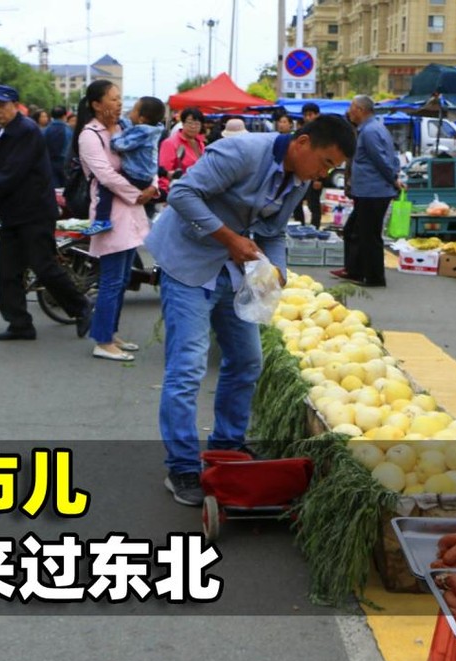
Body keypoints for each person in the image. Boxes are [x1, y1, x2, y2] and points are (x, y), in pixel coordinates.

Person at [145, 114, 357, 506]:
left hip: (232, 270)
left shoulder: (298, 180)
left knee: (246, 360)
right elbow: (181, 194)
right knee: (188, 366)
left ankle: (227, 445)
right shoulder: (241, 152)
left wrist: (275, 270)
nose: (324, 174)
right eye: (326, 163)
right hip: (187, 261)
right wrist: (229, 239)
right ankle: (182, 467)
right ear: (303, 142)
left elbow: (272, 232)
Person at [0, 84, 92, 341]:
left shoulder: (26, 131)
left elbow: (13, 174)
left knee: (44, 266)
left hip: (34, 212)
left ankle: (81, 307)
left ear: (15, 106)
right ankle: (19, 324)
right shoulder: (3, 133)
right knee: (7, 272)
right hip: (12, 213)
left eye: (1, 106)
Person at [75, 81, 159, 361]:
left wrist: (152, 186)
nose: (118, 103)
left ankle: (110, 332)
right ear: (96, 105)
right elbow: (105, 175)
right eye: (112, 99)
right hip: (111, 213)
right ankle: (102, 340)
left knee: (123, 278)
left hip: (131, 212)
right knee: (111, 280)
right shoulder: (90, 135)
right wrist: (137, 195)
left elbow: (148, 157)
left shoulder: (124, 128)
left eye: (120, 98)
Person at [332, 95, 400, 288]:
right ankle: (355, 270)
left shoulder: (370, 131)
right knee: (354, 231)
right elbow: (390, 157)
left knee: (369, 235)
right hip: (368, 191)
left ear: (361, 110)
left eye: (352, 107)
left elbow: (381, 160)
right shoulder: (375, 128)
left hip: (373, 191)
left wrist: (393, 180)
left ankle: (374, 277)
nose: (349, 111)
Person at [83, 95, 165, 236]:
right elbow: (130, 127)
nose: (121, 105)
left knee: (104, 186)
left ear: (142, 119)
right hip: (145, 176)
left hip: (137, 175)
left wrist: (112, 130)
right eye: (114, 99)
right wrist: (118, 121)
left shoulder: (141, 131)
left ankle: (102, 219)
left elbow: (119, 145)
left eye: (134, 109)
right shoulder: (151, 128)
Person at [158, 107, 206, 197]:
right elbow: (164, 171)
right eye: (189, 123)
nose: (193, 126)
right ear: (183, 123)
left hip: (196, 190)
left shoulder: (200, 144)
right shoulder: (170, 143)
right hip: (177, 191)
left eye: (197, 123)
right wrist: (167, 193)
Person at [290, 107, 325, 229]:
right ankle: (300, 228)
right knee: (296, 202)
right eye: (306, 115)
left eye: (311, 114)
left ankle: (315, 228)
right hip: (301, 173)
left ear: (317, 115)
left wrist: (320, 178)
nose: (308, 117)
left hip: (316, 174)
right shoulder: (302, 131)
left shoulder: (323, 133)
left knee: (313, 203)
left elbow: (325, 158)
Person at [42, 105, 73, 189]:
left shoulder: (45, 131)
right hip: (65, 164)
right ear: (64, 116)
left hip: (49, 163)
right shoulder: (68, 130)